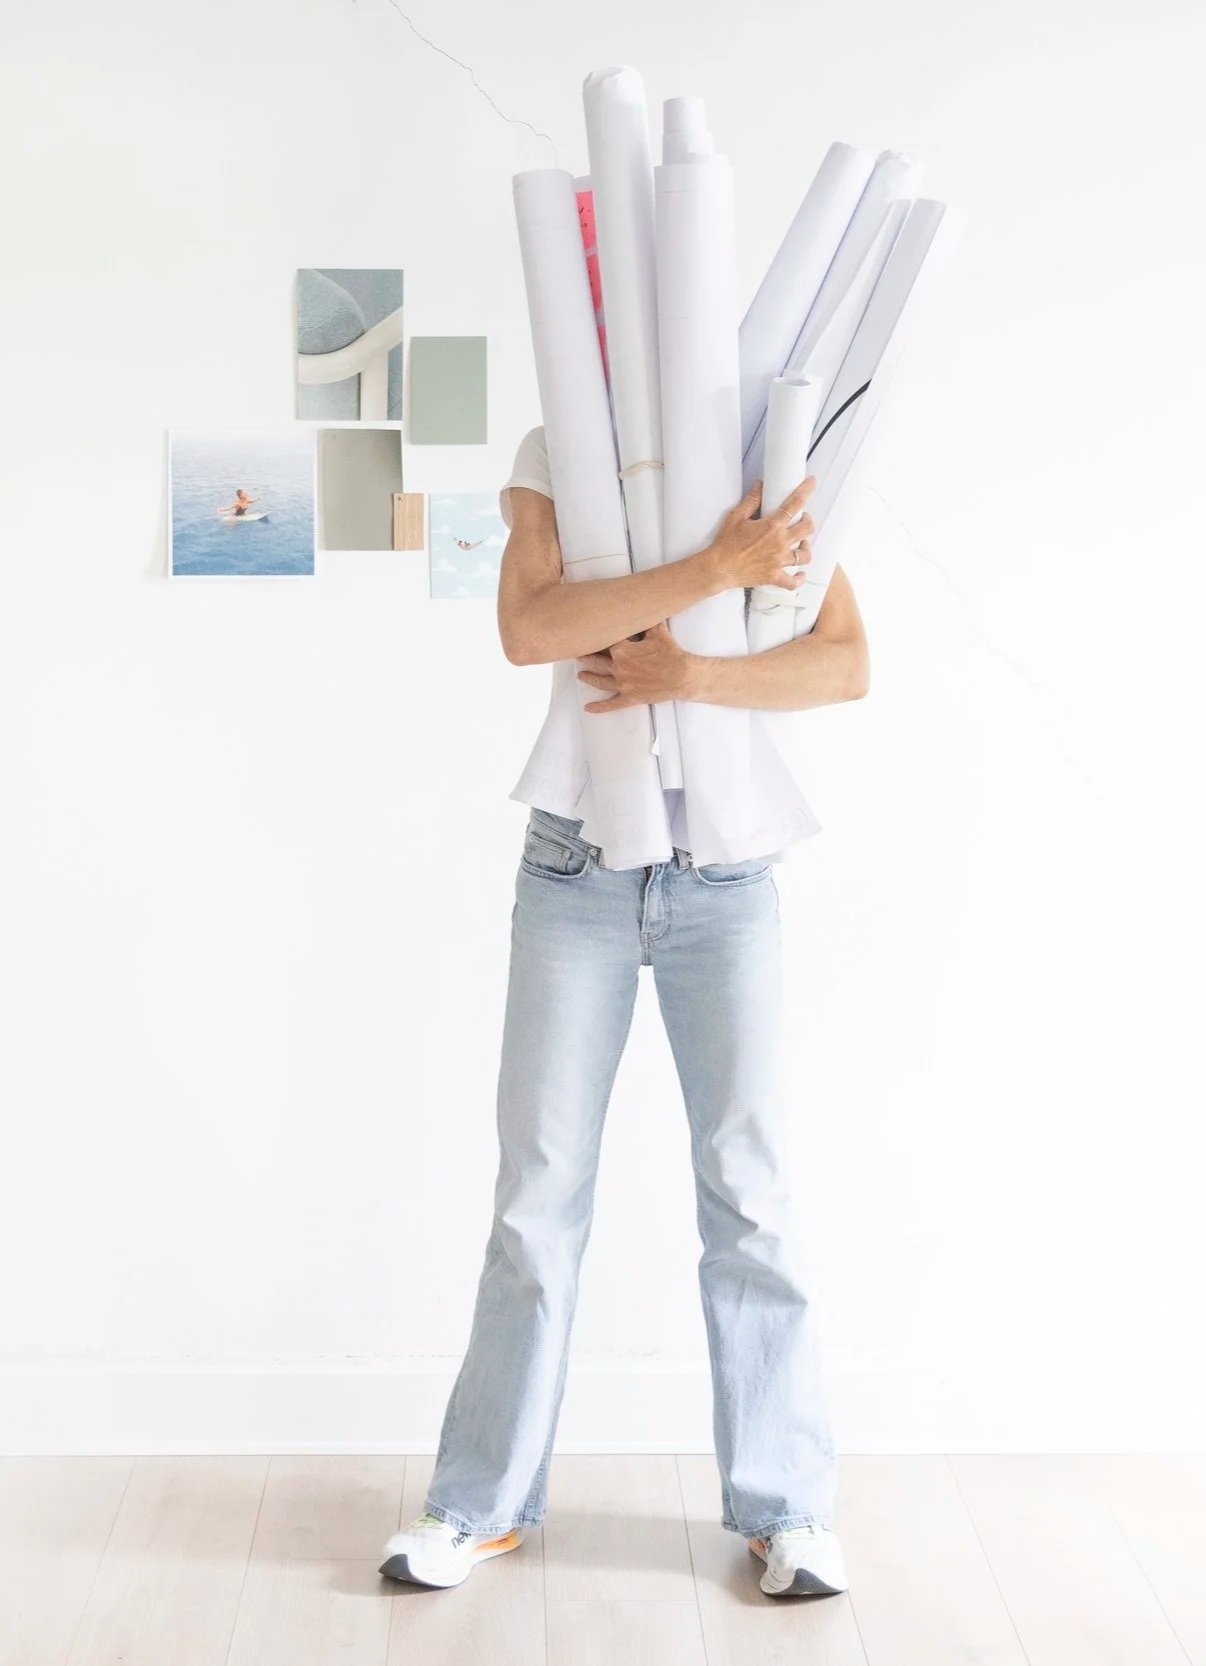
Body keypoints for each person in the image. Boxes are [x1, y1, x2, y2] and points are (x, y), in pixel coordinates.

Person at [380, 426, 869, 1598]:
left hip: (727, 872)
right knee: (536, 1195)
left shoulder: (763, 453)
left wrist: (691, 674)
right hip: (574, 870)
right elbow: (529, 628)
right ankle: (477, 1505)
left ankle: (788, 1512)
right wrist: (713, 572)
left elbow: (844, 662)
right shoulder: (559, 447)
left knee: (747, 1190)